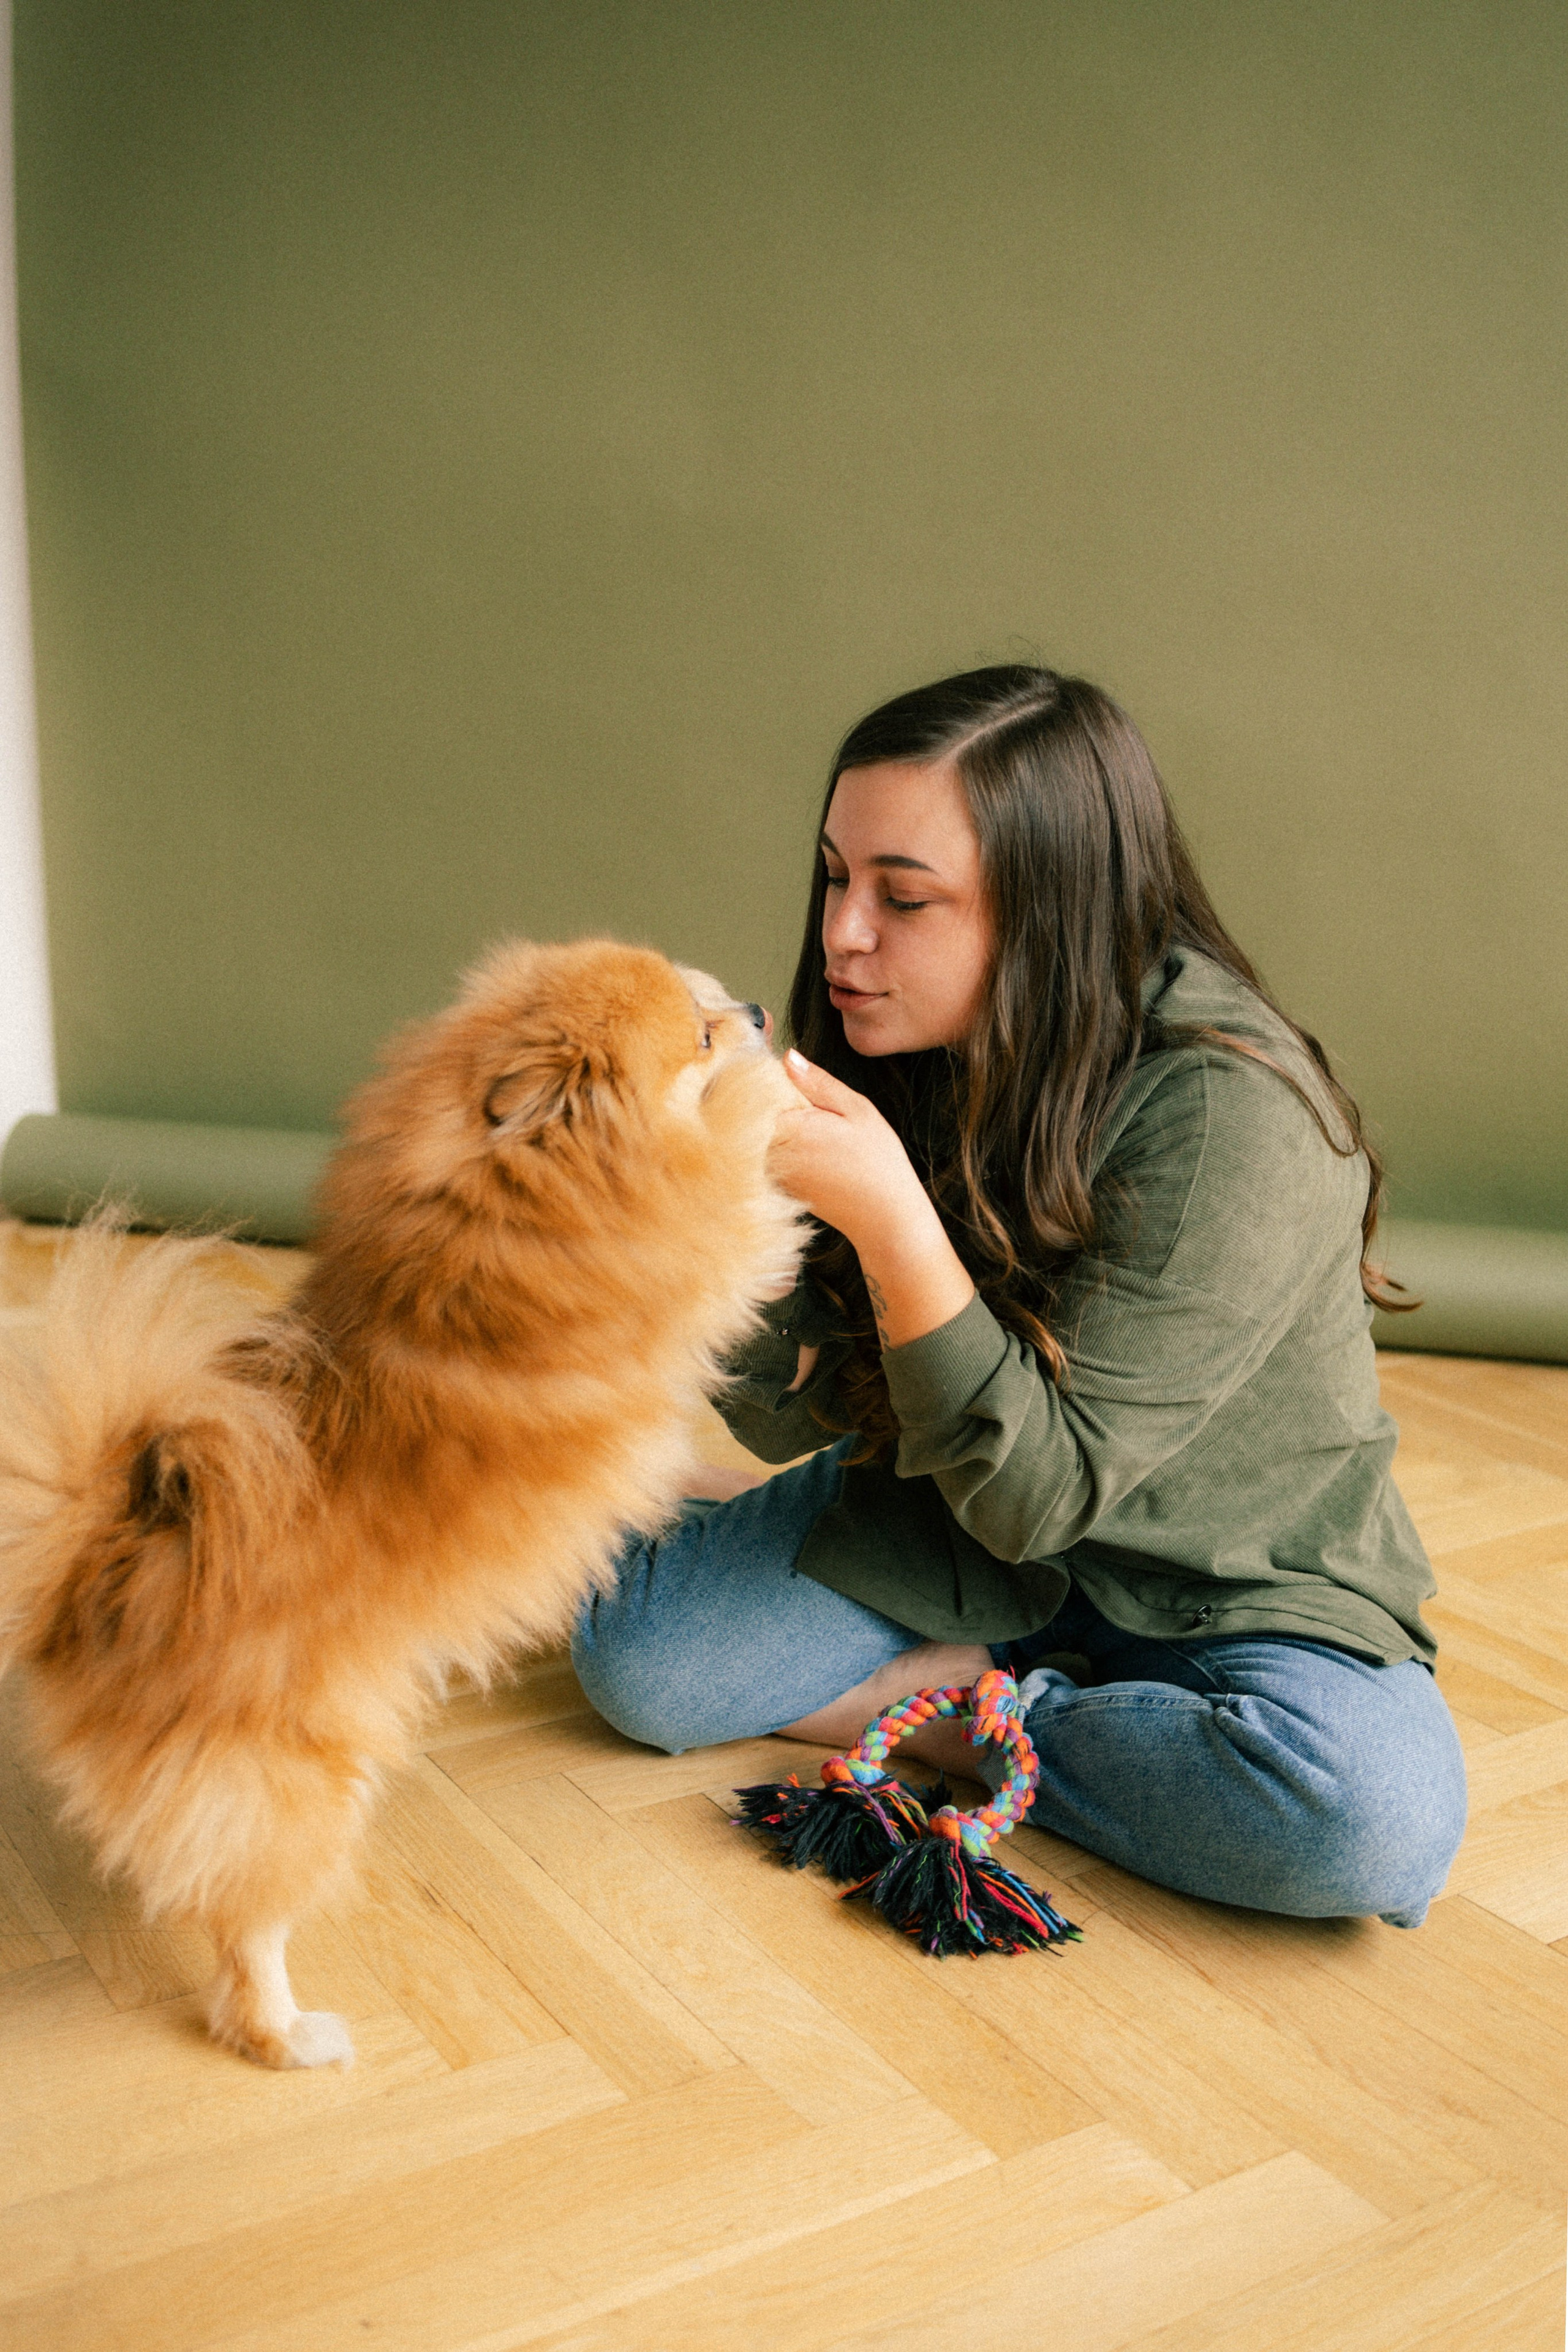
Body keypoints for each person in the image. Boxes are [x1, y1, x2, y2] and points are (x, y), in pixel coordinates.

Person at [572, 665, 1466, 1928]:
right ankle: (984, 1681)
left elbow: (1044, 1490)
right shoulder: (895, 1039)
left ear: (1049, 915)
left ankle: (963, 1710)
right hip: (956, 1513)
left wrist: (887, 1215)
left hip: (1213, 1576)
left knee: (1362, 1827)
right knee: (642, 1669)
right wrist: (702, 1189)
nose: (842, 935)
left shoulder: (1235, 1118)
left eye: (903, 897)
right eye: (835, 876)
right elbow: (783, 1417)